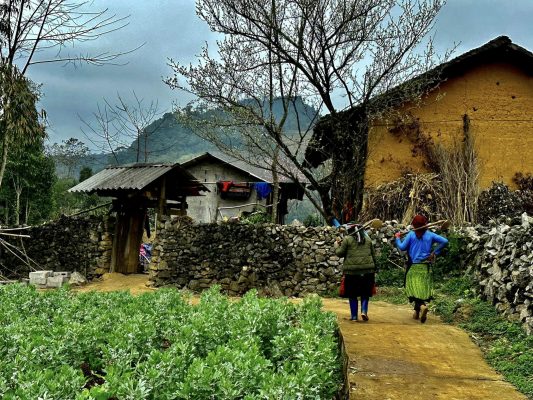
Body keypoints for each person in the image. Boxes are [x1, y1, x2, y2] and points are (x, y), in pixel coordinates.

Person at [394, 214, 448, 323]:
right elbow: (445, 241)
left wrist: (397, 239)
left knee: (412, 288)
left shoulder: (411, 235)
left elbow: (402, 247)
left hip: (413, 266)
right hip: (425, 267)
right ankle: (417, 311)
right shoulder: (430, 235)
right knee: (421, 289)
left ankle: (422, 306)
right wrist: (434, 252)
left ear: (414, 225)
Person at [335, 224, 377, 322]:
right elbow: (373, 255)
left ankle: (354, 317)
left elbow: (340, 253)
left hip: (352, 272)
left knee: (352, 294)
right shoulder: (368, 239)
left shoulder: (347, 240)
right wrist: (375, 267)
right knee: (365, 293)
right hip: (368, 271)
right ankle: (364, 311)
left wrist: (337, 246)